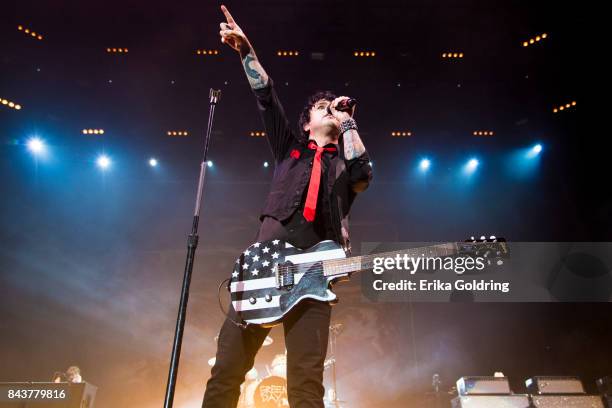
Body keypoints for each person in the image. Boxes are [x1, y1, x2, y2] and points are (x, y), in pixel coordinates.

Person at [202, 5, 372, 407]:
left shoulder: (344, 163)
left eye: (334, 104)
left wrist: (347, 122)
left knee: (307, 385)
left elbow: (364, 174)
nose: (330, 107)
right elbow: (266, 95)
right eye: (322, 106)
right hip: (262, 269)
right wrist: (246, 52)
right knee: (227, 370)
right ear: (307, 123)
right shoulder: (289, 149)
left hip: (314, 280)